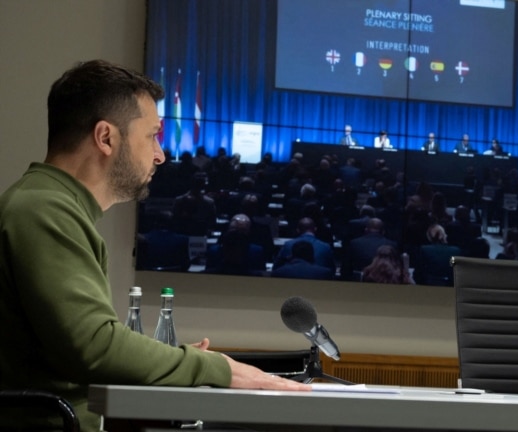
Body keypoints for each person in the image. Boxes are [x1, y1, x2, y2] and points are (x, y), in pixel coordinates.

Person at [0, 60, 309, 431]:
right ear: (106, 137)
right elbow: (94, 347)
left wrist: (166, 360)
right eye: (151, 136)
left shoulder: (46, 204)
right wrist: (216, 368)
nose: (160, 154)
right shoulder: (44, 209)